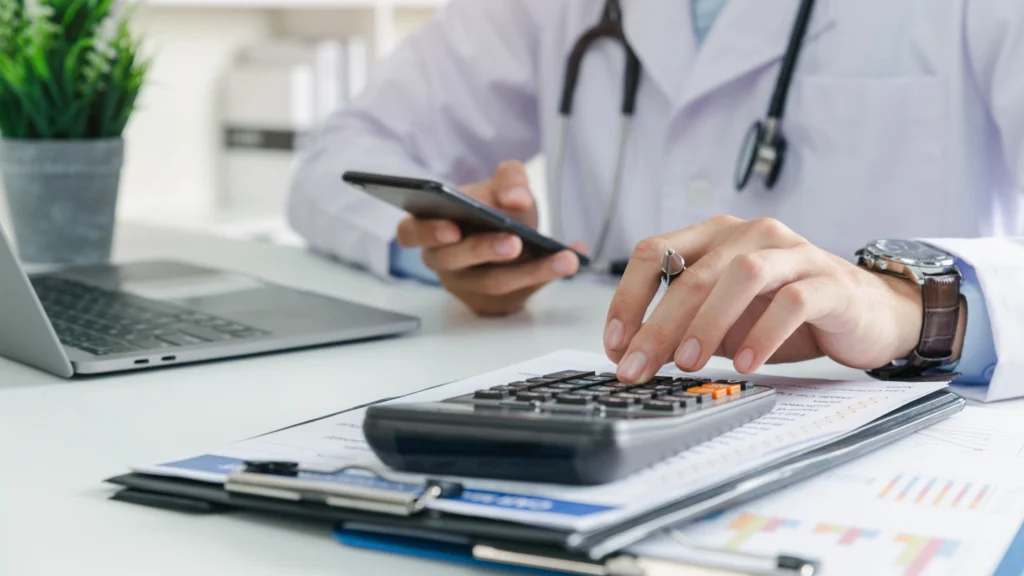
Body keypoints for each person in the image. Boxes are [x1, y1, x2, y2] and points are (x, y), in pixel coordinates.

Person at [289, 1, 1023, 397]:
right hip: (605, 395)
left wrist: (907, 310)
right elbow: (337, 156)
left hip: (902, 428)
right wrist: (457, 247)